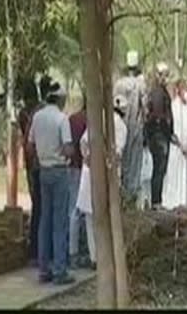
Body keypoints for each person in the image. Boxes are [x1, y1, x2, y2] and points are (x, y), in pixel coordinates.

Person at [27, 81, 75, 285]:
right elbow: (68, 148)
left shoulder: (37, 117)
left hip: (43, 171)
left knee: (44, 220)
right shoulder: (61, 119)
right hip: (59, 171)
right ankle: (60, 270)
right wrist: (66, 155)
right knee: (60, 221)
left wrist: (39, 158)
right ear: (60, 99)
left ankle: (43, 268)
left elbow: (29, 145)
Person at [77, 94, 128, 269]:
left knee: (91, 218)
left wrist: (90, 160)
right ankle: (106, 256)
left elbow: (83, 144)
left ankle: (94, 257)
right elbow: (118, 153)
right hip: (106, 174)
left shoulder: (99, 119)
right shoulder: (120, 125)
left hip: (90, 171)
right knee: (105, 217)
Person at [114, 50, 147, 203]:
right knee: (134, 165)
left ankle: (121, 195)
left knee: (121, 162)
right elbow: (145, 108)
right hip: (135, 129)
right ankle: (131, 199)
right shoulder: (140, 84)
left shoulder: (118, 84)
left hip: (119, 126)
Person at [17, 78, 42, 265]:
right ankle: (38, 249)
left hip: (31, 162)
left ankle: (35, 249)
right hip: (40, 163)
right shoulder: (39, 111)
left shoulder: (24, 113)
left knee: (38, 206)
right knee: (43, 207)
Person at [162, 83, 187, 208]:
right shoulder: (173, 107)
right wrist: (180, 144)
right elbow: (170, 130)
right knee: (174, 179)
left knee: (186, 179)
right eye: (186, 91)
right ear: (179, 91)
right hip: (176, 149)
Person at [145, 62, 174, 208]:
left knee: (161, 169)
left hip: (162, 134)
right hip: (158, 135)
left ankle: (157, 200)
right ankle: (156, 201)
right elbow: (158, 115)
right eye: (163, 75)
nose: (166, 78)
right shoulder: (157, 93)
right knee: (159, 168)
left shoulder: (161, 91)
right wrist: (166, 129)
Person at [68, 98, 87, 267]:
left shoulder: (72, 119)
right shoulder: (91, 121)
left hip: (71, 166)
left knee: (72, 209)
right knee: (79, 210)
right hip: (83, 169)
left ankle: (72, 249)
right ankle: (75, 251)